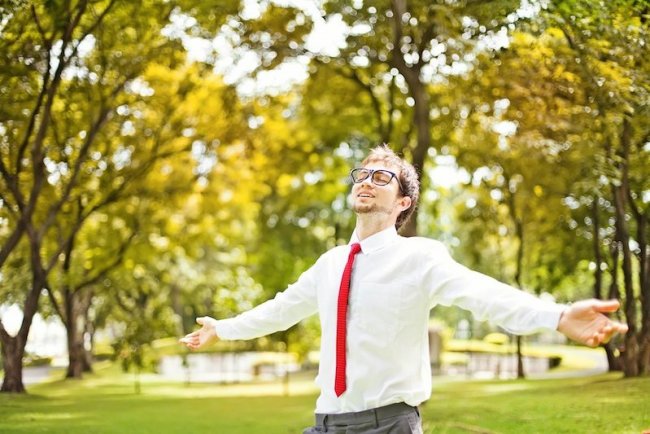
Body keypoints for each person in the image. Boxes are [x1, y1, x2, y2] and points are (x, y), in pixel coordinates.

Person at [180, 145, 628, 434]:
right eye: (362, 174)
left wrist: (557, 315)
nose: (366, 181)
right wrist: (224, 328)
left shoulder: (420, 257)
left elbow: (483, 293)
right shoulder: (330, 263)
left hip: (389, 425)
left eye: (382, 178)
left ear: (402, 203)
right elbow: (279, 311)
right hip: (325, 424)